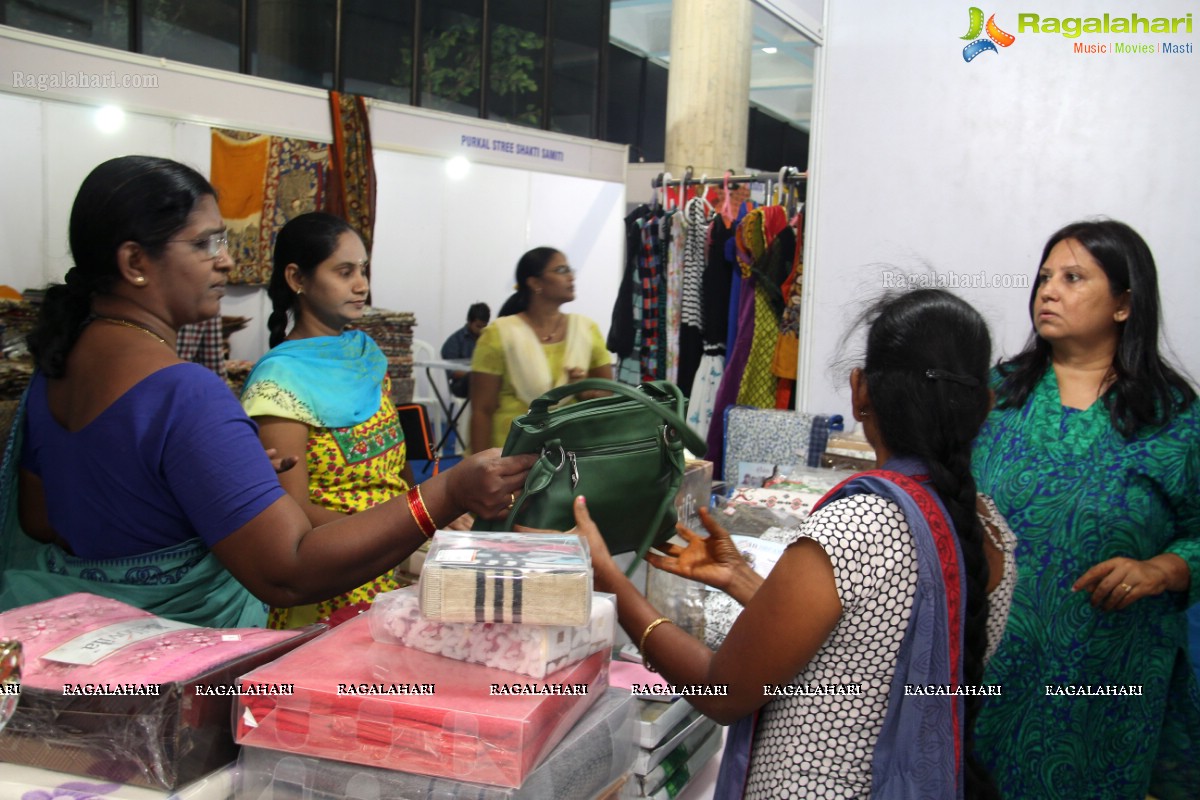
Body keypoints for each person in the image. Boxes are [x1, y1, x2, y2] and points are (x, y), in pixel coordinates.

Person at [2, 155, 534, 629]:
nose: (227, 262)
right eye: (206, 243)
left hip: (85, 641)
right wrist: (447, 493)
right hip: (177, 662)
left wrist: (204, 484)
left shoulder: (53, 376)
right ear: (135, 263)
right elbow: (289, 572)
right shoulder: (184, 394)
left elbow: (43, 519)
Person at [569, 289, 1000, 798]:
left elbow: (724, 691)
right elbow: (858, 647)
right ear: (985, 403)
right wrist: (744, 581)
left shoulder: (856, 529)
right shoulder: (987, 527)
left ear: (860, 392)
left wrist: (611, 581)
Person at [971, 219, 1200, 799]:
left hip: (1104, 679)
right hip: (989, 667)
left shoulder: (1172, 416)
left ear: (1124, 304)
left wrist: (1162, 569)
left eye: (1073, 278)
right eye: (1045, 277)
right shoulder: (997, 394)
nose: (1048, 291)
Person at [239, 212, 416, 628]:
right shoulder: (279, 382)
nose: (362, 285)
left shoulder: (364, 354)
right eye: (344, 271)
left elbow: (396, 464)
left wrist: (416, 510)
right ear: (297, 278)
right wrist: (405, 528)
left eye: (363, 270)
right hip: (330, 583)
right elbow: (292, 512)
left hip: (389, 563)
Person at [469, 247, 613, 451]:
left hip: (574, 456)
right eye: (561, 270)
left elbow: (610, 395)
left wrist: (586, 391)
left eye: (570, 270)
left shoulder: (586, 330)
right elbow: (482, 410)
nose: (571, 276)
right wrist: (479, 467)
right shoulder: (499, 334)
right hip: (510, 456)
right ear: (535, 283)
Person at [441, 302, 490, 399]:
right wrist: (476, 374)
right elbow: (453, 372)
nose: (481, 330)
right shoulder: (454, 341)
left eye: (484, 327)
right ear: (469, 321)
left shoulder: (488, 338)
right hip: (461, 385)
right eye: (478, 326)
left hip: (484, 381)